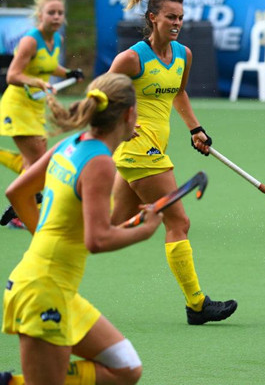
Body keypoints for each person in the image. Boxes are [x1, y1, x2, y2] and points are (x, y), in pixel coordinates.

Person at [0, 72, 163, 385]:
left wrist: (45, 236)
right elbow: (97, 240)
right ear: (129, 114)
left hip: (53, 286)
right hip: (43, 290)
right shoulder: (101, 163)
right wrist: (147, 230)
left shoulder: (70, 144)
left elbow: (16, 192)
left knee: (126, 369)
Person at [108, 0, 237, 325]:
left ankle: (43, 212)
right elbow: (100, 93)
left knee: (113, 223)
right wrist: (121, 119)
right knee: (179, 221)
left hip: (154, 148)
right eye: (170, 17)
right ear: (153, 18)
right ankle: (197, 304)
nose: (177, 23)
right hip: (139, 150)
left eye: (180, 17)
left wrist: (195, 129)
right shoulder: (132, 58)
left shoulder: (183, 55)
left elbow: (178, 93)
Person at [0, 0, 84, 229]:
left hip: (36, 107)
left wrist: (67, 72)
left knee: (34, 163)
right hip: (18, 107)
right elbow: (12, 75)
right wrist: (36, 81)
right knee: (40, 162)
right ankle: (22, 207)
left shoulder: (56, 39)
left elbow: (48, 64)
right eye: (51, 13)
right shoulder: (30, 41)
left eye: (60, 13)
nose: (56, 17)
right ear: (40, 16)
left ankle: (24, 206)